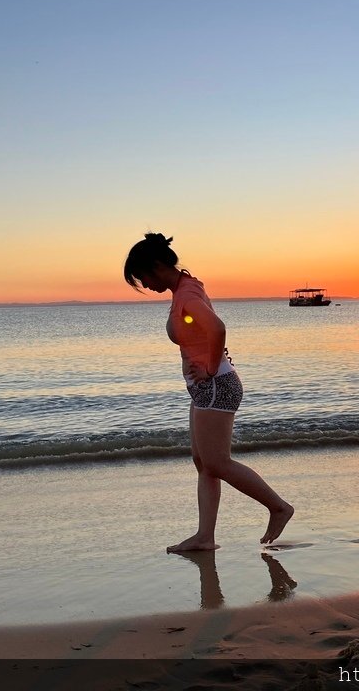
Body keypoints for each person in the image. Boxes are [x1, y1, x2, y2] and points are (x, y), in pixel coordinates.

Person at [124, 233, 293, 552]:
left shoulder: (186, 295)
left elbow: (217, 328)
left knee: (217, 462)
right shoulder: (186, 288)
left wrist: (211, 369)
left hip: (216, 386)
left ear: (157, 266)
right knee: (204, 462)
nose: (145, 284)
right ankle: (205, 537)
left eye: (143, 277)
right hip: (207, 389)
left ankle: (278, 507)